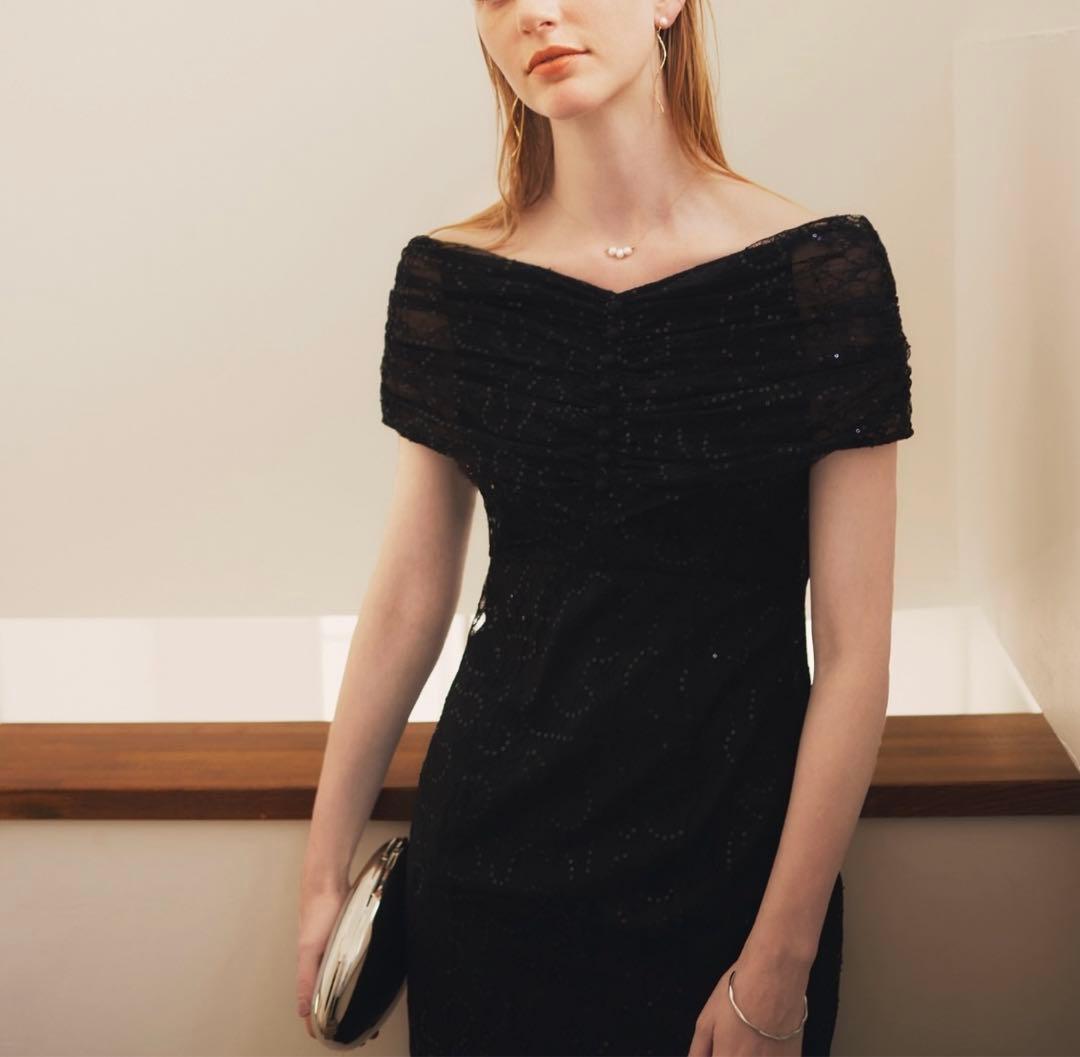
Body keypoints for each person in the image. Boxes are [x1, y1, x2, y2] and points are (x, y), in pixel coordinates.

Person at [297, 1, 915, 1055]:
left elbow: (855, 656)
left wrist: (781, 959)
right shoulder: (453, 279)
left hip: (730, 884)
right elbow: (408, 599)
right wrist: (322, 875)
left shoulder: (821, 277)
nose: (535, 12)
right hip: (485, 878)